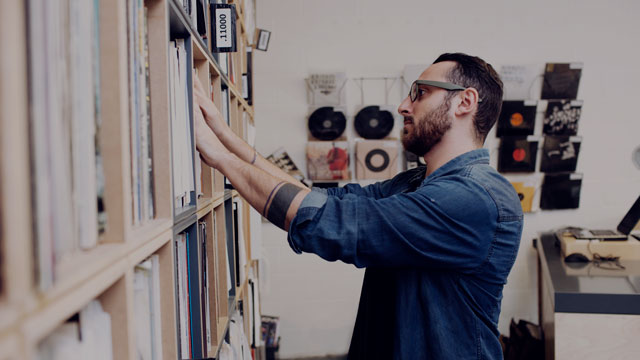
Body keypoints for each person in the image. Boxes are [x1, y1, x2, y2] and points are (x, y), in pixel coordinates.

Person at [193, 52, 523, 360]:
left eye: (419, 93)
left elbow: (330, 221)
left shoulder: (476, 199)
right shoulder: (415, 183)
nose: (403, 106)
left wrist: (219, 157)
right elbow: (325, 200)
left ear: (464, 102)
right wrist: (224, 137)